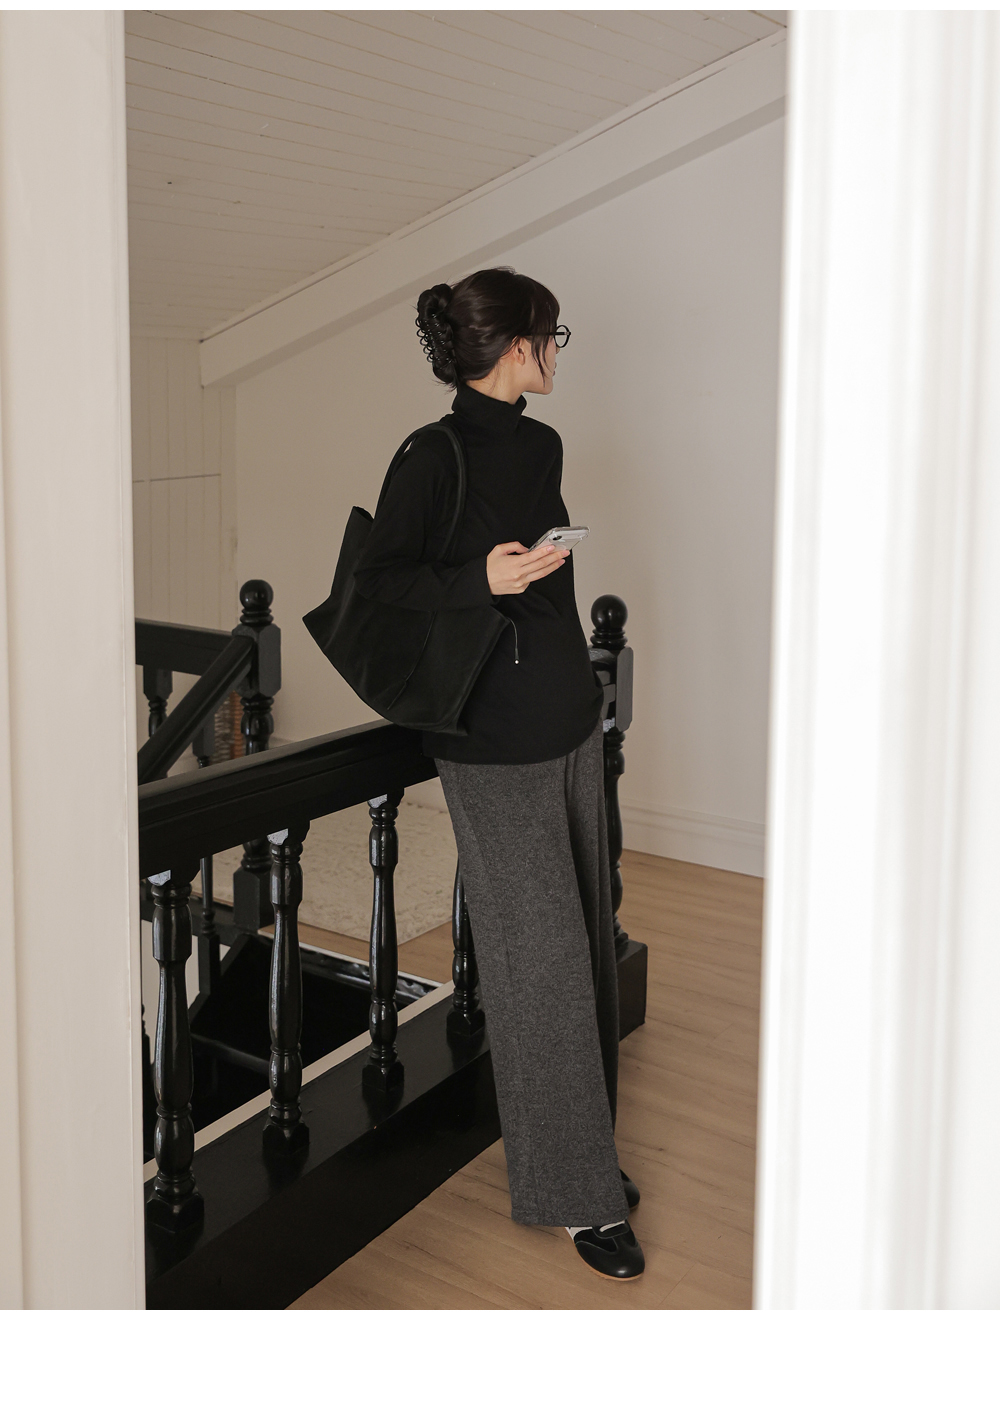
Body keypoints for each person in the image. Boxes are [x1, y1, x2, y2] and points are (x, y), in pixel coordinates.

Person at [353, 266, 644, 1282]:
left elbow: (543, 583)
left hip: (566, 722)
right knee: (540, 967)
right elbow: (381, 583)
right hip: (488, 741)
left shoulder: (541, 443)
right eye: (552, 335)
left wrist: (541, 580)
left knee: (585, 943)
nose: (557, 352)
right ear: (518, 345)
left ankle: (585, 1154)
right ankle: (575, 1195)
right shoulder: (428, 454)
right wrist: (478, 576)